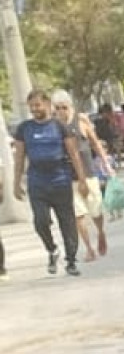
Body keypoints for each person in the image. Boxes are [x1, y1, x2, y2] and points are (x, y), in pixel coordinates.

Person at [12, 85, 87, 275]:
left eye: (37, 105)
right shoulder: (24, 129)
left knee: (67, 222)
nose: (34, 109)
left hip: (60, 180)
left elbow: (74, 153)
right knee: (40, 221)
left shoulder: (59, 126)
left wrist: (82, 180)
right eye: (31, 106)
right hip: (37, 182)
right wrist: (16, 183)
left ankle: (71, 260)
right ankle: (52, 249)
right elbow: (19, 157)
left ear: (46, 103)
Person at [54, 93, 109, 261]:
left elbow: (95, 142)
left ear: (71, 107)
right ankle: (89, 248)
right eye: (57, 108)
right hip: (67, 177)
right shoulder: (54, 127)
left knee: (96, 211)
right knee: (78, 215)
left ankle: (100, 232)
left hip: (88, 173)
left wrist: (105, 163)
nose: (61, 111)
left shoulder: (81, 122)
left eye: (64, 107)